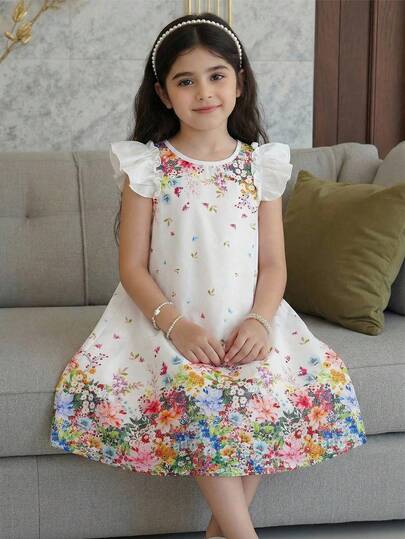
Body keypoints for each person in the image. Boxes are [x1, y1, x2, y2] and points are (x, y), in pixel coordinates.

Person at [50, 11, 368, 539]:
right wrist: (177, 326)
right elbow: (131, 267)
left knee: (272, 393)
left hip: (248, 321)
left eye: (216, 75)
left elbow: (274, 264)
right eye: (185, 81)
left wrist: (261, 321)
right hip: (167, 322)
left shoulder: (260, 166)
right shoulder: (148, 167)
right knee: (201, 399)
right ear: (163, 94)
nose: (204, 92)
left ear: (239, 83)